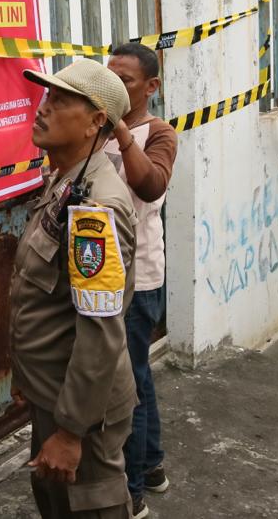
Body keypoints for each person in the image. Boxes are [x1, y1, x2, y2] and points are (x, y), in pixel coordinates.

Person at [13, 58, 138, 519]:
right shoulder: (68, 184)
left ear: (96, 122)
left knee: (90, 506)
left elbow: (102, 327)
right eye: (47, 97)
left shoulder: (95, 208)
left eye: (61, 101)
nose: (43, 109)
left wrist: (69, 431)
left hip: (81, 412)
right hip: (55, 394)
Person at [103, 44, 177, 519]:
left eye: (125, 80)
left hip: (138, 277)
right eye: (109, 77)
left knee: (123, 387)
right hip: (104, 273)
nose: (114, 87)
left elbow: (151, 186)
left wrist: (122, 134)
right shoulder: (97, 125)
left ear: (150, 87)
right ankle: (150, 465)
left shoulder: (158, 133)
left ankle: (131, 491)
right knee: (137, 378)